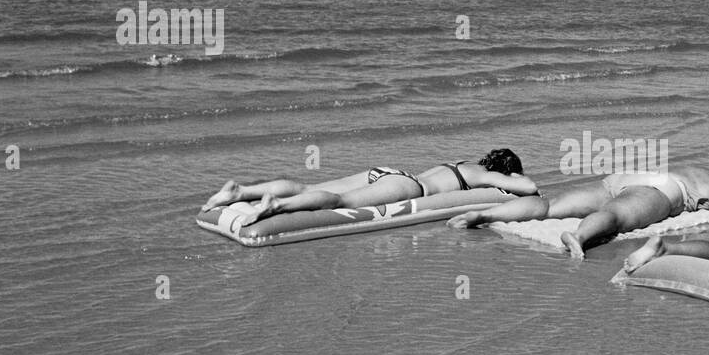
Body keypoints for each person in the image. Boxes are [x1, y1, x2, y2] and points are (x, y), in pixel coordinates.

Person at [448, 166, 709, 259]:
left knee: (550, 206)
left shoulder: (693, 166)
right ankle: (579, 235)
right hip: (664, 191)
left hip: (629, 178)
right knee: (615, 217)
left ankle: (485, 215)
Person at [201, 149, 536, 220]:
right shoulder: (486, 177)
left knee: (307, 186)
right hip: (409, 187)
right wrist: (517, 180)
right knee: (339, 201)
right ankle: (276, 206)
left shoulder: (463, 163)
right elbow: (528, 189)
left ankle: (241, 191)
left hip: (389, 169)